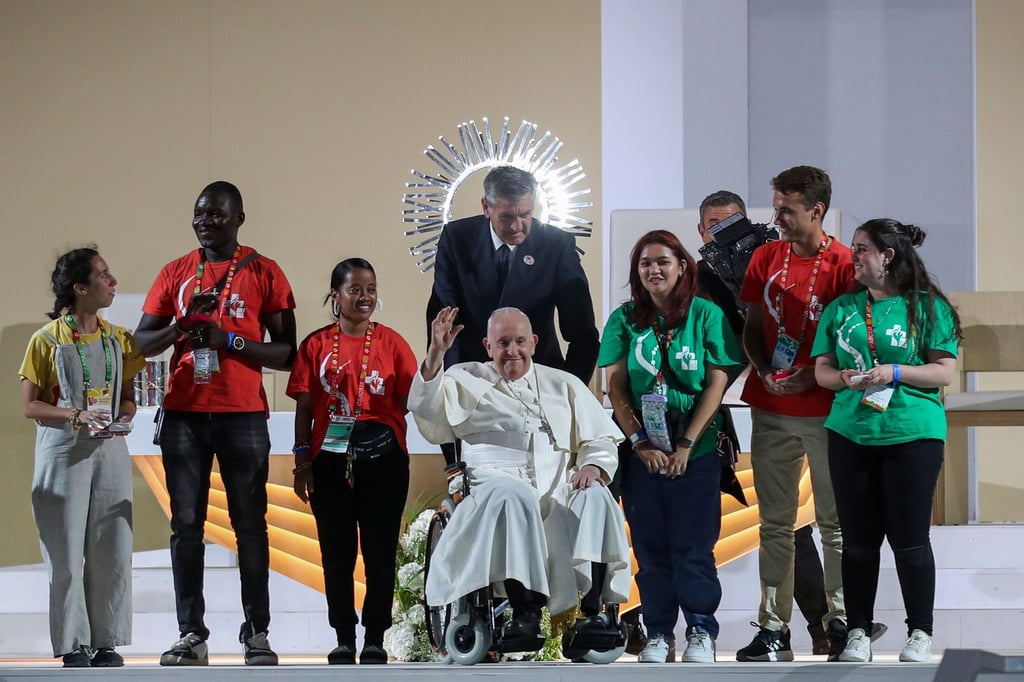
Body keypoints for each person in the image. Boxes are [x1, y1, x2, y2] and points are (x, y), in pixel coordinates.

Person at [134, 181, 297, 666]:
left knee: (251, 525)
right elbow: (142, 344)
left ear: (240, 219)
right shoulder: (176, 272)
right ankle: (191, 634)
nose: (205, 221)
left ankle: (257, 633)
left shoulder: (265, 272)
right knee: (186, 527)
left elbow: (287, 353)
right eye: (199, 213)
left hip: (243, 413)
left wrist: (230, 342)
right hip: (184, 413)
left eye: (216, 214)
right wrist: (183, 325)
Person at [409, 306, 631, 645]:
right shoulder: (464, 377)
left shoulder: (564, 383)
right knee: (515, 496)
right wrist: (436, 353)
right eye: (503, 343)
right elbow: (426, 406)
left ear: (534, 342)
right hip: (491, 484)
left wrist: (592, 465)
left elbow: (599, 438)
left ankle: (593, 614)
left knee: (597, 496)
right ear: (487, 346)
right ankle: (525, 613)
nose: (512, 351)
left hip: (558, 484)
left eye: (520, 342)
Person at [813, 219, 960, 663]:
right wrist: (842, 377)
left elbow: (943, 371)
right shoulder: (842, 308)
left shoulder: (928, 307)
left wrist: (894, 372)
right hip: (850, 431)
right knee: (857, 541)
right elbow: (821, 370)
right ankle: (857, 630)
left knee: (910, 539)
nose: (853, 256)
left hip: (912, 432)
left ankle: (920, 632)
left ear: (887, 256)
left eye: (861, 249)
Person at [697, 189, 833, 655]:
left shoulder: (777, 259)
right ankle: (662, 625)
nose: (726, 237)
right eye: (715, 227)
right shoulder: (693, 276)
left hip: (789, 398)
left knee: (795, 524)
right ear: (701, 232)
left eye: (733, 224)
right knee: (766, 523)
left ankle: (823, 625)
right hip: (721, 409)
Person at [599, 230, 742, 664]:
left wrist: (685, 443)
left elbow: (717, 382)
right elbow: (616, 384)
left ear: (682, 266)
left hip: (695, 448)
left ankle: (701, 629)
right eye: (645, 264)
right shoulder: (625, 318)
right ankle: (659, 632)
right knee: (649, 549)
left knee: (694, 548)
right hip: (642, 449)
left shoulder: (706, 315)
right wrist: (640, 442)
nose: (653, 270)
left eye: (663, 261)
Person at [735, 166, 854, 662]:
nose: (777, 217)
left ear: (816, 210)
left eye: (786, 209)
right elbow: (753, 323)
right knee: (775, 525)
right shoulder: (766, 256)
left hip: (828, 409)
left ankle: (844, 622)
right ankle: (773, 628)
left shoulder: (846, 263)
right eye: (776, 206)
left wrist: (813, 375)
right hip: (772, 407)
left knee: (835, 525)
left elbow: (855, 340)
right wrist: (762, 367)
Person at [287, 258, 417, 665]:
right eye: (355, 289)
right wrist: (302, 461)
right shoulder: (315, 345)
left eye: (371, 289)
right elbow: (305, 407)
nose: (365, 298)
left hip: (383, 462)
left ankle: (375, 637)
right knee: (336, 553)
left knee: (380, 553)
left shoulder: (392, 343)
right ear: (335, 296)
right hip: (328, 461)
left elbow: (411, 400)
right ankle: (343, 637)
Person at [19, 247, 144, 667]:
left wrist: (124, 417)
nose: (113, 282)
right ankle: (73, 643)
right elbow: (30, 406)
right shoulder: (47, 339)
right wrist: (75, 414)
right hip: (63, 450)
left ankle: (106, 640)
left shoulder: (118, 338)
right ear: (80, 288)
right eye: (104, 275)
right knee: (67, 551)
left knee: (113, 545)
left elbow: (128, 398)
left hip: (109, 446)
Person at [426, 165, 599, 385]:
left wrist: (569, 390)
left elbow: (582, 333)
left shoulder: (556, 245)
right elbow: (445, 319)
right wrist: (454, 382)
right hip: (472, 379)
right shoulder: (456, 239)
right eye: (506, 217)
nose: (517, 226)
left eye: (525, 215)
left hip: (539, 378)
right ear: (486, 207)